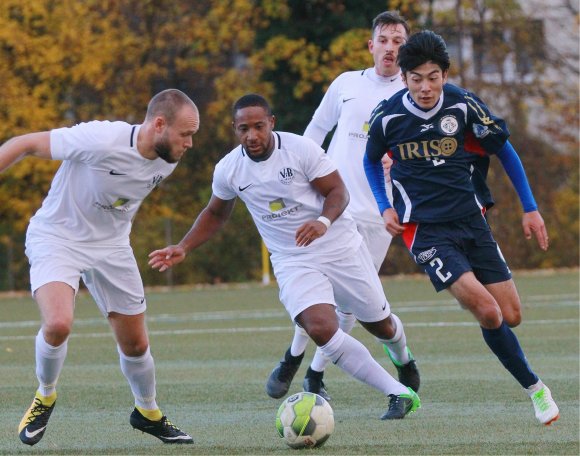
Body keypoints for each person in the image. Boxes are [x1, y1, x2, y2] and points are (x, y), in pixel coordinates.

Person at [149, 93, 421, 420]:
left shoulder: (300, 150)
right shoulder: (229, 169)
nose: (252, 135)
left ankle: (403, 358)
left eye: (259, 126)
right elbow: (215, 213)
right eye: (243, 128)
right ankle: (397, 393)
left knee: (381, 326)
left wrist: (322, 222)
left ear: (271, 123)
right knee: (321, 327)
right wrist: (183, 246)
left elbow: (338, 192)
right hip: (292, 259)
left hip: (339, 245)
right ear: (235, 130)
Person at [364, 30, 559, 425]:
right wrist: (385, 206)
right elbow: (370, 161)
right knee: (488, 312)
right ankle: (537, 390)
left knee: (511, 315)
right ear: (403, 78)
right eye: (416, 78)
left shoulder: (463, 105)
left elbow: (504, 149)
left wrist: (531, 208)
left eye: (433, 77)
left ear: (445, 74)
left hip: (472, 221)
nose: (425, 87)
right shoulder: (388, 118)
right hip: (426, 232)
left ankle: (466, 284)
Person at [0, 89, 199, 445]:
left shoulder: (167, 160)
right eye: (186, 134)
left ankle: (147, 412)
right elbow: (25, 143)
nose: (190, 143)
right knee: (58, 324)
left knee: (137, 346)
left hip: (112, 248)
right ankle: (45, 395)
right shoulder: (101, 139)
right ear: (158, 124)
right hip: (57, 237)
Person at [265, 10, 420, 403]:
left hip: (378, 214)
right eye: (383, 40)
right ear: (371, 46)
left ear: (407, 49)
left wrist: (399, 160)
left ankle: (315, 371)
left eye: (398, 42)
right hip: (331, 209)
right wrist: (295, 177)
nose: (390, 48)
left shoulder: (412, 95)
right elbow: (314, 132)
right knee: (319, 294)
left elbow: (422, 153)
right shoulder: (347, 84)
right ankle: (297, 362)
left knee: (353, 304)